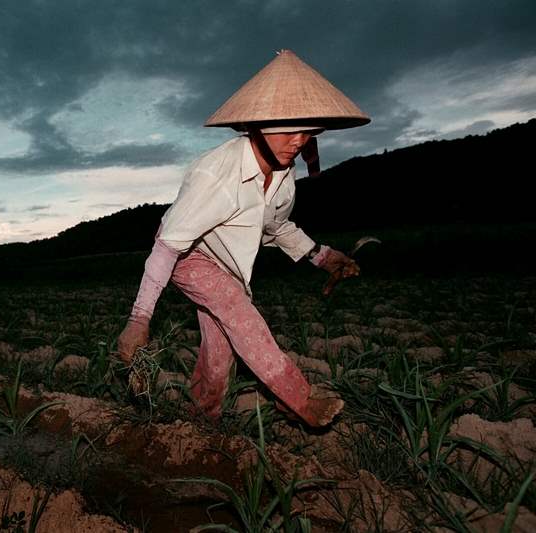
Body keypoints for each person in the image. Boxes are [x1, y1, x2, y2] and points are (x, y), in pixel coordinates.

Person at [116, 50, 370, 427]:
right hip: (188, 254)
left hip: (226, 262)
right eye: (288, 129)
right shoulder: (216, 174)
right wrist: (139, 319)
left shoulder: (284, 176)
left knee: (220, 352)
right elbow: (167, 247)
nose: (299, 141)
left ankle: (201, 420)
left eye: (308, 131)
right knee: (238, 312)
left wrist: (324, 257)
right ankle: (299, 399)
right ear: (256, 127)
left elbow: (276, 227)